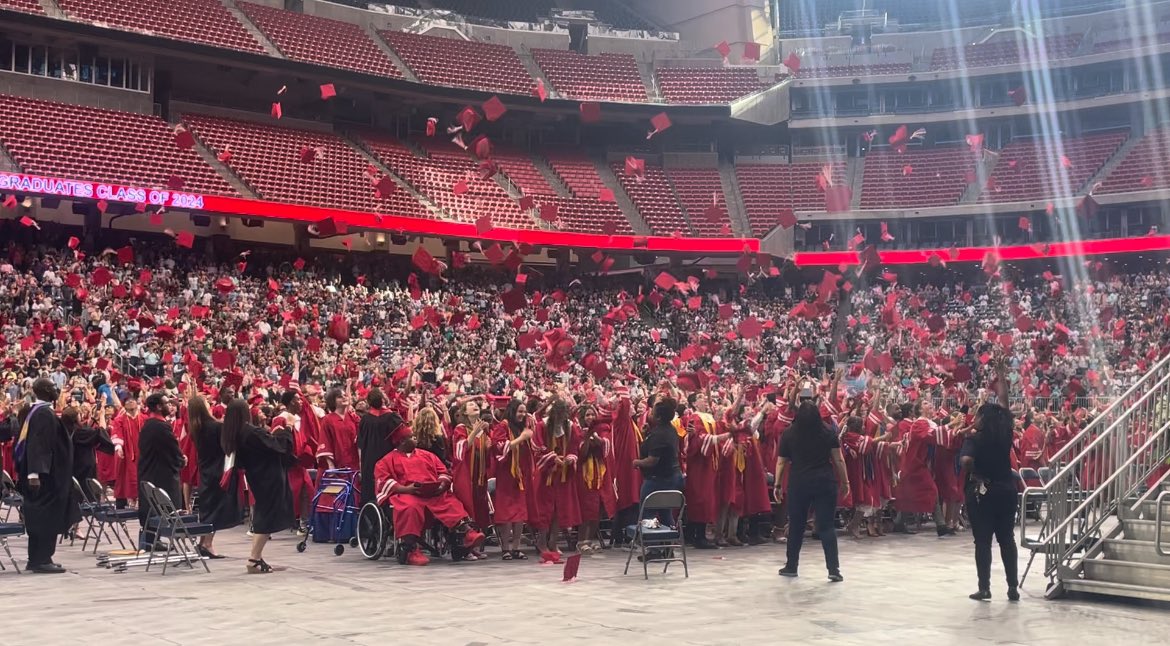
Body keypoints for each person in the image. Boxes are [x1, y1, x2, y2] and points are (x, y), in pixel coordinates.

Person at [372, 419, 486, 566]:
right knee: (409, 507)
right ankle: (412, 549)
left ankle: (467, 532)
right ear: (401, 441)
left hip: (433, 493)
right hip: (408, 494)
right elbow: (384, 481)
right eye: (412, 437)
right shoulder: (386, 460)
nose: (416, 439)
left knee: (450, 502)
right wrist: (407, 489)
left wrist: (442, 485)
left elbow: (443, 472)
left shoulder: (427, 455)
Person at [774, 390, 849, 582]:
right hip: (824, 481)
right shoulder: (827, 432)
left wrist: (777, 484)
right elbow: (838, 460)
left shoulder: (789, 433)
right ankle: (833, 569)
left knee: (797, 526)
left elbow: (781, 462)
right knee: (826, 526)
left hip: (799, 482)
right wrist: (845, 481)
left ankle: (791, 566)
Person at [961, 364, 1020, 601]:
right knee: (1007, 539)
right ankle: (1012, 587)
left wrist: (974, 470)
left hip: (982, 492)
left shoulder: (974, 439)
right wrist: (1002, 377)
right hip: (1007, 489)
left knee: (983, 541)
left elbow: (965, 460)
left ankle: (984, 587)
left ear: (982, 420)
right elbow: (1004, 406)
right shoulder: (1005, 434)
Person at [221, 398, 295, 574]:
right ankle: (254, 558)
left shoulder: (233, 433)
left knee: (263, 513)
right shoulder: (250, 432)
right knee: (266, 516)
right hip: (268, 476)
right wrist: (288, 429)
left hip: (256, 475)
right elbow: (277, 445)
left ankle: (256, 556)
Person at [15, 378, 74, 573]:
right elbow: (38, 445)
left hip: (44, 474)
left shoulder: (36, 411)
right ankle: (41, 559)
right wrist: (34, 473)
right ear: (46, 391)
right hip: (46, 478)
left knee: (41, 516)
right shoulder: (43, 414)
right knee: (46, 517)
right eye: (53, 387)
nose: (56, 390)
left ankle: (38, 558)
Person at [188, 394, 237, 559]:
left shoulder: (196, 427)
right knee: (215, 509)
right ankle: (208, 544)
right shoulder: (215, 427)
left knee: (207, 508)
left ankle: (203, 543)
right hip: (217, 470)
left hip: (205, 470)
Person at [137, 392, 185, 550]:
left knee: (152, 508)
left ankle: (150, 541)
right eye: (166, 403)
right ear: (158, 406)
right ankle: (152, 541)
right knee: (162, 508)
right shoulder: (160, 426)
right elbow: (172, 450)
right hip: (161, 475)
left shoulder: (148, 425)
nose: (170, 406)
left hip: (150, 471)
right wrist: (181, 460)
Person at [491, 397, 535, 560]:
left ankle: (516, 547)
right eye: (520, 411)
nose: (522, 414)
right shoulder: (503, 426)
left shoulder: (523, 427)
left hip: (520, 475)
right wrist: (521, 438)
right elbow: (500, 447)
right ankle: (505, 548)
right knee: (507, 512)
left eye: (524, 411)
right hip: (506, 474)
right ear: (512, 411)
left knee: (520, 513)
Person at [357, 388, 406, 505]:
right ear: (384, 400)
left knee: (370, 491)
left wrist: (361, 464)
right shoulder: (393, 418)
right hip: (388, 461)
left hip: (368, 461)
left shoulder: (364, 420)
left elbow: (360, 444)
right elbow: (402, 440)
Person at [110, 395, 143, 507]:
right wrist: (119, 447)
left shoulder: (144, 418)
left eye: (132, 401)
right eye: (128, 401)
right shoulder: (119, 420)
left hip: (142, 452)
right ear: (125, 406)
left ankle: (141, 501)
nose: (131, 403)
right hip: (127, 452)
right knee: (127, 477)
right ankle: (127, 501)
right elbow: (116, 433)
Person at [318, 387, 360, 471]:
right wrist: (331, 465)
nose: (344, 397)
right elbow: (325, 441)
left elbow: (361, 440)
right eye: (340, 397)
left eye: (345, 395)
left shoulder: (354, 418)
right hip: (337, 464)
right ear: (333, 401)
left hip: (354, 463)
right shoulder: (327, 420)